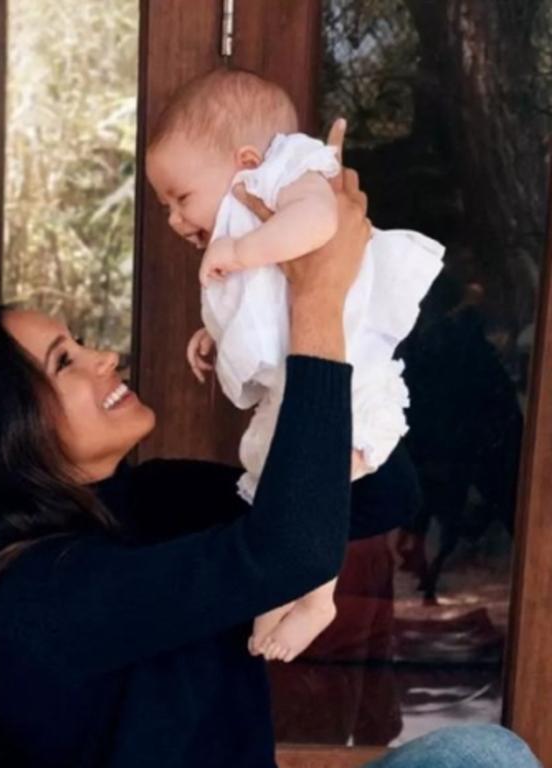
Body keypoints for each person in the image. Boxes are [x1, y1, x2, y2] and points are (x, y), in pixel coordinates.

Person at [0, 164, 539, 767]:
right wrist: (315, 305)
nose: (103, 357)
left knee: (481, 756)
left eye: (80, 343)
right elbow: (290, 553)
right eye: (66, 361)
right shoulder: (33, 600)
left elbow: (381, 496)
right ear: (2, 436)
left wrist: (302, 320)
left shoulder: (155, 498)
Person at [144, 69, 444, 661]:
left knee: (315, 482)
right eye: (165, 208)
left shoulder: (292, 174)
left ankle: (316, 598)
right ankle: (284, 589)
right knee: (274, 479)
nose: (176, 220)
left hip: (349, 374)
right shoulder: (250, 219)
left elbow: (320, 225)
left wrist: (240, 249)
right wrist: (214, 333)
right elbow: (268, 304)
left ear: (248, 160)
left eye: (182, 198)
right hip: (303, 377)